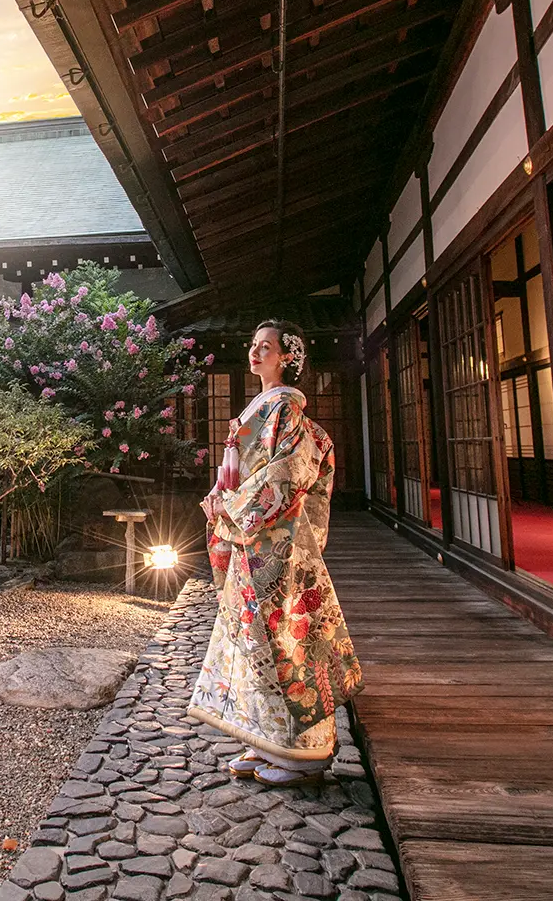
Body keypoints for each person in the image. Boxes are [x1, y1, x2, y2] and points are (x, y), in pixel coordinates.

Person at [188, 319, 363, 786]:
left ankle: (304, 755)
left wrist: (234, 507)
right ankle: (263, 738)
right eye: (253, 345)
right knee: (254, 643)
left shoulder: (285, 406)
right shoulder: (264, 405)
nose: (255, 352)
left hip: (274, 539)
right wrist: (223, 499)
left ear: (287, 357)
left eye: (265, 346)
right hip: (255, 537)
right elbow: (246, 466)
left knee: (286, 640)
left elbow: (286, 470)